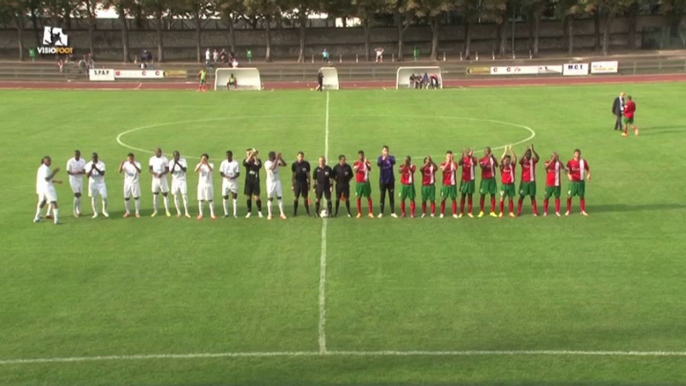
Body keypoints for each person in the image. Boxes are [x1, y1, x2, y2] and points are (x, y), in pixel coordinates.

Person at [34, 156, 62, 225]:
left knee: (43, 201)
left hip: (42, 187)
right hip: (48, 187)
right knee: (54, 201)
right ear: (44, 161)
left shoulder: (41, 168)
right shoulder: (45, 169)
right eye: (48, 161)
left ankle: (37, 217)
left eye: (50, 161)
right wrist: (54, 172)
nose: (50, 162)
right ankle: (56, 219)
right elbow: (47, 179)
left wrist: (56, 181)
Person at [565, 149, 591, 216]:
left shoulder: (583, 162)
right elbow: (566, 170)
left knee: (582, 196)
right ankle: (568, 210)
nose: (577, 154)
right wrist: (568, 175)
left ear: (580, 154)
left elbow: (588, 169)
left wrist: (588, 175)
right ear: (574, 154)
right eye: (576, 153)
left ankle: (583, 210)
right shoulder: (570, 162)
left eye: (578, 153)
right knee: (569, 196)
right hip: (573, 182)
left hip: (581, 182)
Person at [517, 144, 540, 217]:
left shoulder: (533, 160)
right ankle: (519, 211)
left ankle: (535, 212)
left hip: (532, 182)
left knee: (532, 197)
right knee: (521, 197)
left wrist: (533, 150)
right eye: (527, 153)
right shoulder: (523, 161)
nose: (528, 155)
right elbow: (519, 161)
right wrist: (525, 151)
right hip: (524, 182)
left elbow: (538, 158)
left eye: (529, 153)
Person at [264, 151, 288, 220]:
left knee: (280, 197)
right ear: (271, 157)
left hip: (277, 182)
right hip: (270, 183)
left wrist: (280, 158)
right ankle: (270, 214)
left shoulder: (276, 161)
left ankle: (282, 213)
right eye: (274, 156)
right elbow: (273, 168)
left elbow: (284, 164)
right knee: (270, 199)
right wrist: (277, 159)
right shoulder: (267, 163)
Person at [85, 152, 109, 218]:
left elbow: (102, 173)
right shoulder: (88, 164)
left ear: (97, 157)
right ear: (91, 158)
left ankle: (104, 211)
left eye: (95, 158)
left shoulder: (101, 164)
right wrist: (91, 169)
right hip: (92, 183)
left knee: (104, 197)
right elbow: (87, 175)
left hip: (101, 183)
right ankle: (95, 212)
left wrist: (96, 168)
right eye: (93, 158)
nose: (94, 159)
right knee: (94, 198)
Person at [149, 147, 171, 217]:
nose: (158, 153)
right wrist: (153, 173)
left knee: (165, 194)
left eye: (159, 152)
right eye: (157, 152)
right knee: (155, 195)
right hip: (155, 179)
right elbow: (150, 169)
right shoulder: (152, 159)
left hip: (163, 179)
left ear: (161, 152)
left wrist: (162, 173)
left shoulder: (165, 159)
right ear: (155, 152)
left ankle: (167, 210)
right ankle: (155, 210)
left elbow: (168, 169)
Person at [377, 145, 397, 218]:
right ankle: (381, 212)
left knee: (391, 196)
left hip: (391, 180)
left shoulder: (391, 158)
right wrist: (383, 159)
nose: (386, 152)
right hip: (383, 181)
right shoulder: (380, 158)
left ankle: (392, 212)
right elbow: (379, 164)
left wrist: (388, 157)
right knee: (382, 196)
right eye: (385, 150)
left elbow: (394, 162)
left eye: (387, 150)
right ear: (382, 151)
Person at [543, 152, 566, 216]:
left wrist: (558, 160)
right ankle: (545, 211)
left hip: (557, 183)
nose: (555, 158)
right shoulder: (547, 162)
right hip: (549, 183)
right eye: (553, 156)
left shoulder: (558, 163)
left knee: (557, 197)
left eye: (555, 157)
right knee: (546, 197)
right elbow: (546, 167)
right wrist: (552, 160)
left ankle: (557, 211)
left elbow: (563, 167)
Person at [169, 151, 191, 218]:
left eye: (178, 155)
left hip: (182, 180)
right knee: (176, 197)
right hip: (175, 181)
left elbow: (184, 170)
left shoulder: (183, 160)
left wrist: (178, 163)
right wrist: (174, 164)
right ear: (173, 156)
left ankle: (186, 212)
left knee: (184, 196)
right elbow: (171, 172)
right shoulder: (171, 162)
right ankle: (178, 212)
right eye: (175, 156)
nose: (177, 157)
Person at [119, 152, 142, 218]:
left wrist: (134, 165)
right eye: (129, 159)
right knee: (126, 198)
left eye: (131, 159)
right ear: (127, 158)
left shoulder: (137, 164)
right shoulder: (125, 164)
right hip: (127, 183)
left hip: (135, 183)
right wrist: (121, 165)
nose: (130, 160)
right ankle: (127, 212)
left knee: (136, 197)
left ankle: (137, 212)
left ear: (133, 158)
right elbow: (120, 171)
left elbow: (140, 171)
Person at [478, 147, 498, 218]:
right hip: (484, 180)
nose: (486, 152)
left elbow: (497, 165)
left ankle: (493, 211)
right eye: (485, 151)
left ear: (490, 151)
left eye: (488, 151)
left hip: (492, 179)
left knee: (493, 195)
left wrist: (493, 158)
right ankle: (482, 211)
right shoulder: (481, 160)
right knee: (482, 195)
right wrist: (488, 159)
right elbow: (483, 167)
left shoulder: (492, 159)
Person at [353, 151, 374, 219]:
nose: (361, 157)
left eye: (362, 155)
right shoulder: (356, 163)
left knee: (369, 197)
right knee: (358, 197)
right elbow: (356, 170)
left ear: (363, 155)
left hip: (366, 183)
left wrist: (365, 163)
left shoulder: (367, 162)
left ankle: (370, 212)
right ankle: (359, 213)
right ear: (358, 156)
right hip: (359, 183)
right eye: (360, 155)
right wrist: (361, 163)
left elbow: (370, 169)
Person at [195, 153, 216, 220]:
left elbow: (211, 170)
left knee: (210, 199)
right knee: (201, 200)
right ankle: (201, 214)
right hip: (201, 185)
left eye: (204, 158)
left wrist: (206, 163)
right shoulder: (199, 165)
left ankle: (212, 214)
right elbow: (195, 170)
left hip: (209, 185)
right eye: (202, 158)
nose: (203, 160)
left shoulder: (211, 164)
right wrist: (201, 163)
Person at [219, 150, 240, 218]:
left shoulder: (236, 163)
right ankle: (226, 213)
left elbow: (238, 173)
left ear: (231, 156)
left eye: (228, 155)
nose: (227, 157)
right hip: (226, 183)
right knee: (225, 197)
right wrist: (226, 176)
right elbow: (221, 172)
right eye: (226, 155)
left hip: (234, 182)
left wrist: (232, 177)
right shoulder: (223, 163)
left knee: (234, 197)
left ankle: (235, 213)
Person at [243, 148, 263, 218]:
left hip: (255, 182)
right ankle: (249, 211)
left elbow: (258, 166)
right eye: (248, 153)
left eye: (249, 153)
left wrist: (255, 157)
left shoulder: (258, 160)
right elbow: (245, 163)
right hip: (248, 182)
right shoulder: (246, 160)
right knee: (248, 197)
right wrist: (251, 154)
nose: (248, 155)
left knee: (257, 197)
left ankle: (259, 211)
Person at [458, 149, 478, 218]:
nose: (469, 154)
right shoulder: (463, 159)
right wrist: (462, 156)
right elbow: (459, 163)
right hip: (464, 180)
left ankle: (470, 212)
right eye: (468, 153)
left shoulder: (474, 159)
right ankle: (461, 212)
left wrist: (471, 157)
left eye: (470, 153)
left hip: (471, 180)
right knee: (463, 196)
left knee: (470, 196)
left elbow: (476, 164)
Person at [66, 150, 86, 217]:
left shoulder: (83, 161)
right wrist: (74, 173)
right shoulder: (70, 161)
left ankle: (79, 210)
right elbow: (68, 171)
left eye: (77, 155)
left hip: (80, 179)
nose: (76, 156)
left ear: (79, 155)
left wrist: (80, 172)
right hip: (73, 179)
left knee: (80, 195)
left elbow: (85, 171)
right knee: (77, 194)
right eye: (75, 155)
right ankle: (74, 211)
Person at [499, 146, 517, 218]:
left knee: (511, 198)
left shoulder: (512, 166)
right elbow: (501, 159)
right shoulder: (502, 166)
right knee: (502, 198)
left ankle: (511, 212)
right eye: (505, 160)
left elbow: (515, 158)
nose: (506, 161)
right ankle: (501, 212)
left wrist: (511, 150)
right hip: (503, 185)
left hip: (511, 185)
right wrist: (505, 151)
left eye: (508, 160)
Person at [291, 151, 311, 216]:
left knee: (305, 198)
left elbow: (308, 174)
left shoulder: (306, 164)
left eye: (302, 157)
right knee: (296, 197)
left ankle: (308, 212)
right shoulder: (294, 164)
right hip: (297, 182)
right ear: (297, 157)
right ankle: (294, 212)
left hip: (304, 182)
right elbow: (293, 175)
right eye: (299, 156)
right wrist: (292, 185)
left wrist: (309, 183)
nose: (301, 158)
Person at [440, 151, 458, 218]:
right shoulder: (443, 164)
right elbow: (443, 169)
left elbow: (455, 169)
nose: (449, 157)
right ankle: (442, 212)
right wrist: (448, 162)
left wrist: (452, 161)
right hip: (445, 184)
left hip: (453, 184)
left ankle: (454, 213)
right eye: (448, 156)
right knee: (443, 199)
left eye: (450, 156)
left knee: (454, 199)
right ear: (446, 156)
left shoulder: (454, 163)